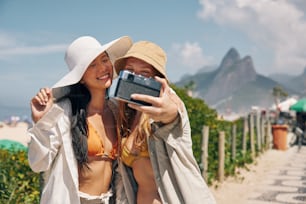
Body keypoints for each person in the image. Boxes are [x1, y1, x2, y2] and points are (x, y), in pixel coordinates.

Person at [27, 35, 132, 204]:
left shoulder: (116, 109)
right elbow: (38, 163)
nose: (103, 68)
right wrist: (41, 123)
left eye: (105, 60)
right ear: (80, 77)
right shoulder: (64, 113)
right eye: (92, 65)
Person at [113, 41, 216, 204]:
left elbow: (173, 115)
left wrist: (170, 113)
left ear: (157, 79)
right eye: (130, 71)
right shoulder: (127, 114)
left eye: (144, 73)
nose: (136, 78)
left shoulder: (168, 103)